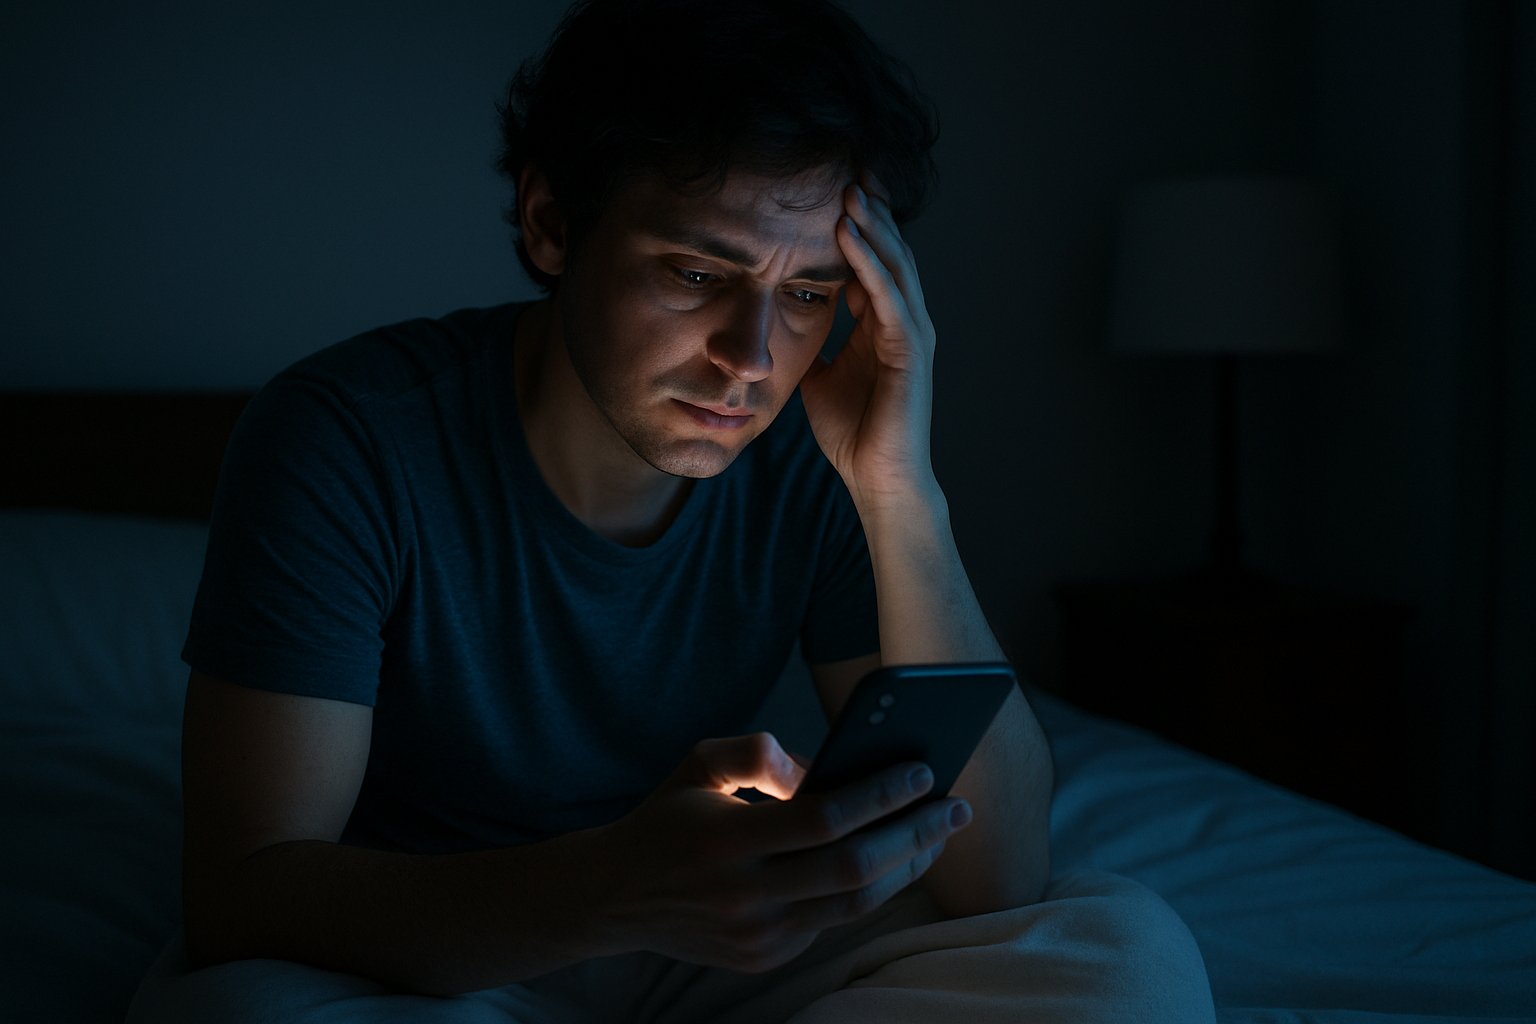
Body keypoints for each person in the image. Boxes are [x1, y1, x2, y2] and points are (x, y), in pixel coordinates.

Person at [127, 1, 1216, 1020]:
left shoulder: (817, 456)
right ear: (553, 224)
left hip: (709, 926)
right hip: (434, 944)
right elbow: (246, 894)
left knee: (1125, 954)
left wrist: (900, 491)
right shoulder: (349, 435)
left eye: (804, 296)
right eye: (697, 273)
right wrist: (613, 888)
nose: (749, 362)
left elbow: (1002, 873)